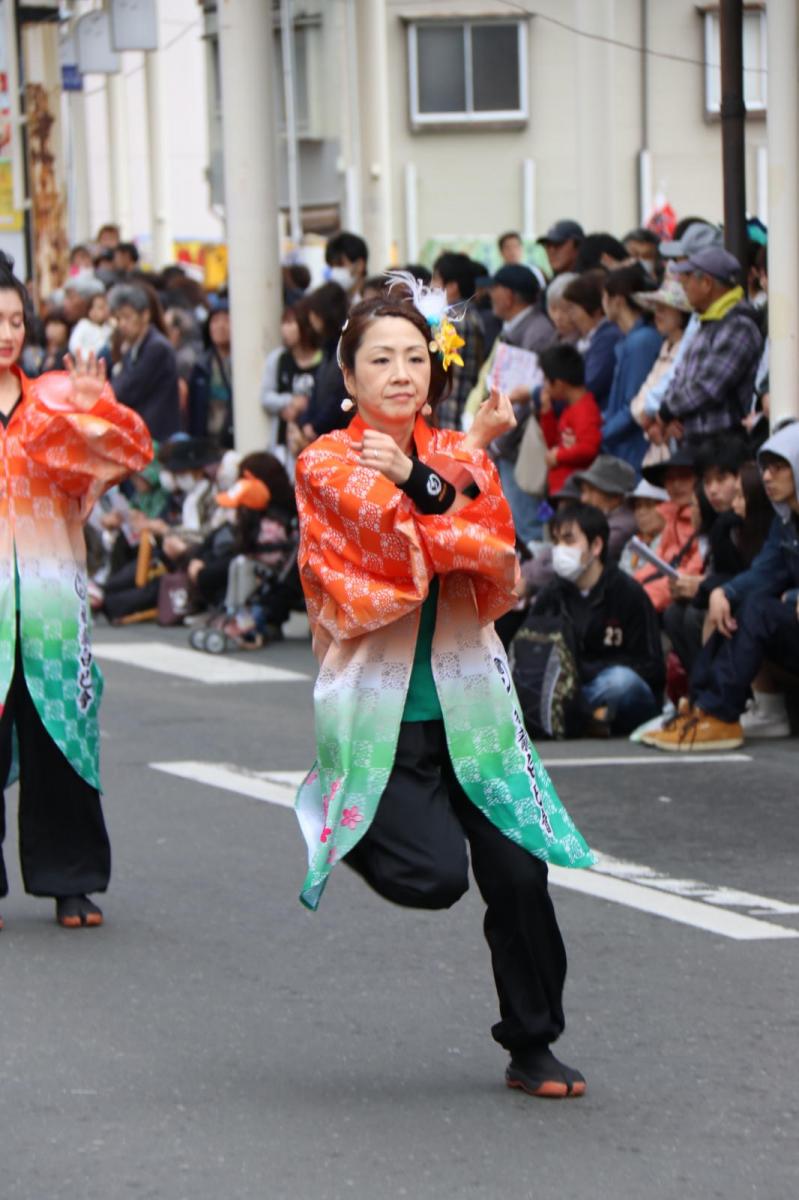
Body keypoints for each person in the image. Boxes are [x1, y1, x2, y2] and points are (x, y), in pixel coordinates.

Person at [294, 285, 593, 1099]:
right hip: (383, 712)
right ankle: (343, 820)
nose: (400, 373)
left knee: (519, 877)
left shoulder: (459, 453)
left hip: (471, 699)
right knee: (432, 879)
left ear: (435, 370)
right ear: (348, 379)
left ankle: (532, 1042)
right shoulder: (323, 461)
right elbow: (391, 551)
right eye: (380, 360)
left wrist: (430, 481)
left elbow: (494, 549)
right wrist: (440, 489)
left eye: (415, 358)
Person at [0, 251, 152, 930]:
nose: (7, 333)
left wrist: (93, 413)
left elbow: (121, 458)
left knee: (61, 738)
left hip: (53, 594)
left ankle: (72, 880)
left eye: (14, 319)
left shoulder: (55, 397)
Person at [642, 422, 799, 751]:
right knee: (738, 602)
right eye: (766, 467)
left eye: (780, 466)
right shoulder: (786, 524)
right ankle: (705, 707)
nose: (768, 476)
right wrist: (722, 592)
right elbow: (763, 573)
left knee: (757, 608)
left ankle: (719, 713)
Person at [527, 503, 664, 734]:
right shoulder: (551, 595)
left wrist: (588, 671)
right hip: (564, 687)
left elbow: (651, 667)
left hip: (615, 689)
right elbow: (529, 649)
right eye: (557, 542)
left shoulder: (628, 593)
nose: (560, 550)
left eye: (569, 541)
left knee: (621, 682)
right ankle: (588, 718)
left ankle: (575, 716)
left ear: (597, 545)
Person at [464, 264, 557, 544]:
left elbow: (525, 398)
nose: (490, 294)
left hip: (516, 446)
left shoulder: (537, 332)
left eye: (495, 288)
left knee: (526, 527)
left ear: (510, 295)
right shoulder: (516, 327)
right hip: (504, 444)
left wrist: (497, 440)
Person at [656, 247, 763, 445]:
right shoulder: (706, 323)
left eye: (687, 277)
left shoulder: (738, 325)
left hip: (722, 447)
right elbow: (679, 376)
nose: (683, 284)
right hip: (696, 444)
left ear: (706, 283)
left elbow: (708, 387)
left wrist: (667, 411)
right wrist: (671, 416)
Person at [600, 264, 663, 472]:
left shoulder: (641, 342)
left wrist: (600, 435)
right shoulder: (634, 340)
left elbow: (633, 404)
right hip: (625, 447)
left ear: (617, 300)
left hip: (634, 450)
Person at [629, 274, 693, 466]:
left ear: (682, 313)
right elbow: (639, 403)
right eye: (656, 308)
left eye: (665, 309)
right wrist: (653, 423)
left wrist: (657, 422)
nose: (658, 314)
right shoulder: (666, 346)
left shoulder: (688, 348)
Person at [634, 448, 704, 614]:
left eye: (684, 476)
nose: (676, 484)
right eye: (670, 478)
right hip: (664, 593)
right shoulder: (673, 517)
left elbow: (692, 571)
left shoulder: (706, 517)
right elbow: (658, 563)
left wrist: (638, 599)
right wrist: (628, 588)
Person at [109, 283, 181, 440]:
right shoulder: (133, 347)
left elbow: (127, 389)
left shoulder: (156, 348)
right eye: (119, 318)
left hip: (156, 435)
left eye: (127, 317)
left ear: (145, 315)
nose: (122, 324)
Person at [259, 301, 323, 465]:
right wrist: (290, 401)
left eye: (290, 323)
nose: (285, 330)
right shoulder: (279, 359)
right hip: (283, 443)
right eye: (283, 324)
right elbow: (266, 396)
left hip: (316, 440)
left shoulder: (324, 359)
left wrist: (306, 405)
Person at [537, 344, 601, 496]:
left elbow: (589, 448)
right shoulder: (569, 407)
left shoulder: (585, 410)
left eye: (546, 380)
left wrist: (558, 456)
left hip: (571, 492)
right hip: (558, 489)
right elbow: (553, 443)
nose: (544, 386)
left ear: (559, 384)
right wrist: (547, 413)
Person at [430, 252, 484, 430]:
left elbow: (449, 374)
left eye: (436, 280)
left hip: (452, 413)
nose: (431, 286)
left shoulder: (453, 320)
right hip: (462, 411)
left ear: (452, 286)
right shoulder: (471, 315)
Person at [562, 271, 623, 411]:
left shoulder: (608, 338)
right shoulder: (591, 338)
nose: (570, 316)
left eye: (573, 309)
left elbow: (591, 384)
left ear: (595, 310)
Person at [571, 454, 637, 561]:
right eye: (583, 491)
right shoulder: (605, 519)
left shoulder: (621, 527)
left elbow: (585, 557)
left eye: (591, 491)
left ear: (615, 496)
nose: (584, 499)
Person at [187, 301, 234, 448]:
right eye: (215, 321)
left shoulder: (245, 365)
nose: (220, 326)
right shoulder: (201, 365)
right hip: (207, 442)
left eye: (226, 320)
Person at [325, 231, 368, 304]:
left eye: (340, 265)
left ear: (360, 265)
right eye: (331, 266)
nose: (334, 271)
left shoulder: (373, 302)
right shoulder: (333, 305)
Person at [68, 290, 112, 359]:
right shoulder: (84, 325)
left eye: (105, 307)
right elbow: (74, 345)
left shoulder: (109, 328)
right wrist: (88, 357)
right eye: (100, 308)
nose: (104, 311)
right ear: (90, 311)